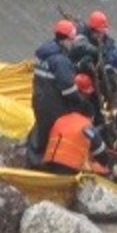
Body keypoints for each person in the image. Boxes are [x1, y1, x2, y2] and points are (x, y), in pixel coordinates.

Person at [27, 19, 79, 164]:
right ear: (66, 40)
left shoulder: (45, 54)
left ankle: (32, 157)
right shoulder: (60, 61)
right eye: (72, 40)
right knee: (52, 133)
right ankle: (42, 163)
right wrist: (80, 102)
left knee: (41, 129)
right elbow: (68, 88)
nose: (73, 43)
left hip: (39, 99)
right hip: (53, 104)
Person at [40, 79, 112, 176]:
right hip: (68, 168)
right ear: (90, 116)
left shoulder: (60, 120)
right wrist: (107, 163)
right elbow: (100, 150)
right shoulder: (86, 125)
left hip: (48, 164)